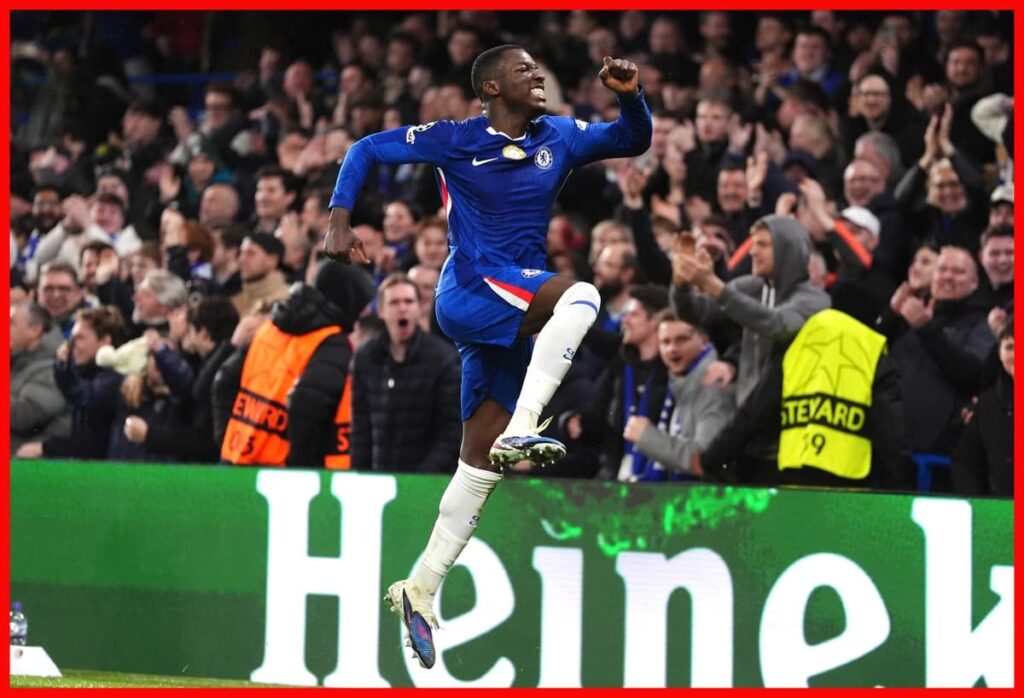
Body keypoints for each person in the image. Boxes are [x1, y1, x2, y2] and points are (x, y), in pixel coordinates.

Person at [323, 46, 651, 668]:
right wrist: (339, 222)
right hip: (472, 288)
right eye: (525, 69)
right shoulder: (455, 139)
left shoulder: (560, 135)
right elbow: (365, 147)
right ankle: (527, 427)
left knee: (479, 462)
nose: (538, 75)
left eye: (538, 69)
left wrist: (631, 95)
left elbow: (631, 140)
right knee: (581, 294)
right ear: (492, 86)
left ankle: (421, 586)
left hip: (509, 306)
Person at [214, 261, 373, 469]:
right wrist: (299, 468)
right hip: (280, 473)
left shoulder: (271, 326)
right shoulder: (331, 341)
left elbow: (223, 381)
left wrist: (228, 441)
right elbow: (307, 404)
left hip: (236, 459)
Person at [351, 273, 462, 473]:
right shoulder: (365, 358)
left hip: (427, 483)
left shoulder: (444, 359)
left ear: (419, 308)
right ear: (382, 310)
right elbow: (361, 429)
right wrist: (361, 476)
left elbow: (451, 434)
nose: (402, 308)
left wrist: (417, 482)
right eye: (394, 302)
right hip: (379, 481)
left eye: (409, 301)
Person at [621, 309, 735, 480]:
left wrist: (648, 438)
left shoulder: (713, 385)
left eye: (682, 340)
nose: (672, 349)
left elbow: (705, 459)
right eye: (665, 342)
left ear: (704, 341)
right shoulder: (677, 380)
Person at [952, 318, 1012, 497]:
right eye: (1010, 347)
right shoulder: (989, 404)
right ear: (999, 353)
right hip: (1003, 514)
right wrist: (982, 507)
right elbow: (966, 462)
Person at [10, 301, 68, 453]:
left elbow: (25, 415)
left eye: (10, 323)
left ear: (34, 330)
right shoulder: (15, 361)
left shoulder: (51, 368)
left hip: (24, 466)